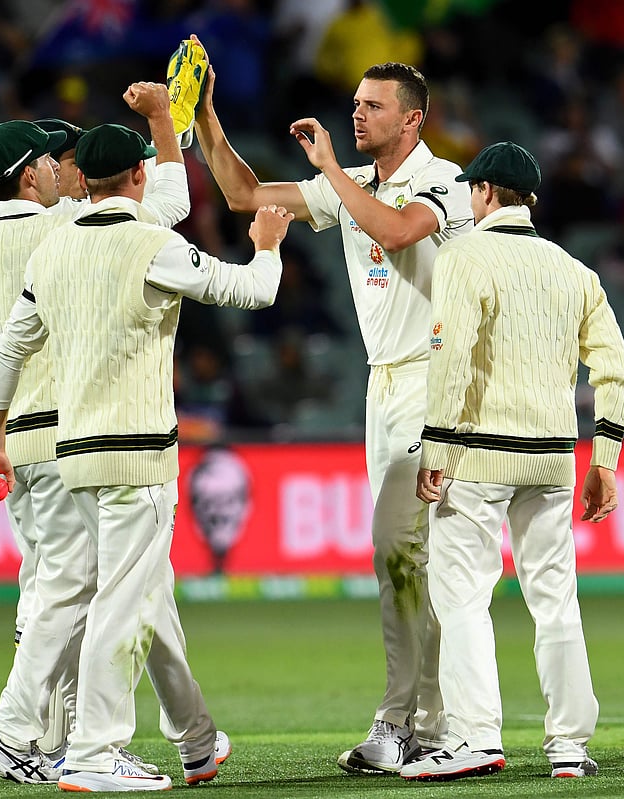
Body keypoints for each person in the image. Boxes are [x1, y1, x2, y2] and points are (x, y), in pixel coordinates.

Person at [0, 122, 292, 792]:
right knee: (121, 602)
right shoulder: (154, 243)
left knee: (143, 595)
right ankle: (92, 750)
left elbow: (8, 350)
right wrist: (267, 248)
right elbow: (252, 291)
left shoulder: (52, 252)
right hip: (138, 456)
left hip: (73, 455)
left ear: (81, 180)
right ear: (140, 178)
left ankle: (196, 739)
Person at [0, 85, 213, 785]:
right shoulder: (71, 225)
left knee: (54, 586)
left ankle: (104, 737)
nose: (58, 168)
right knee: (96, 589)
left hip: (10, 440)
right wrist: (165, 124)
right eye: (47, 161)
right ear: (28, 176)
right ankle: (48, 737)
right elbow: (168, 205)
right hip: (78, 434)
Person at [190, 43, 473, 774]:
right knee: (411, 557)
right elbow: (247, 198)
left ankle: (402, 719)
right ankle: (437, 722)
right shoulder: (356, 184)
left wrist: (331, 174)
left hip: (436, 381)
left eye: (371, 105)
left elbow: (397, 230)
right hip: (385, 387)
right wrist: (206, 118)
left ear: (412, 121)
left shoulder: (443, 180)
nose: (356, 112)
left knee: (401, 552)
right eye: (355, 102)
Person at [401, 142, 624, 781]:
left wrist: (437, 448)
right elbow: (615, 366)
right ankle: (569, 745)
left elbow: (451, 355)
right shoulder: (573, 269)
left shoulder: (464, 255)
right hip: (553, 460)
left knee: (465, 599)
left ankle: (476, 738)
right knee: (555, 600)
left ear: (483, 194)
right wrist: (606, 458)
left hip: (477, 455)